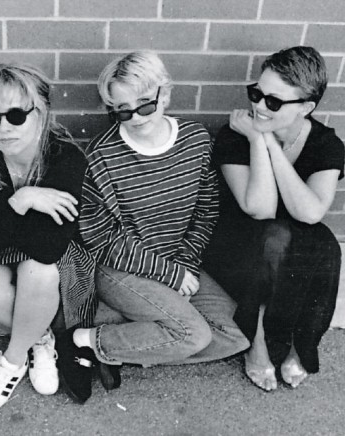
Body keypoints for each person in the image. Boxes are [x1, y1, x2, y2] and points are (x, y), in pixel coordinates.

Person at [59, 51, 249, 403]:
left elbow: (206, 211)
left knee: (235, 336)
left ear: (166, 94)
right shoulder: (101, 155)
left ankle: (121, 346)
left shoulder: (195, 140)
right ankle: (80, 340)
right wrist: (169, 275)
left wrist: (185, 265)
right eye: (123, 110)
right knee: (195, 335)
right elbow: (102, 238)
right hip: (121, 268)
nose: (136, 117)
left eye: (145, 104)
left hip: (178, 260)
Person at [0, 63, 95, 414]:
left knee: (39, 269)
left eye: (16, 115)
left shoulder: (65, 158)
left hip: (55, 260)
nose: (4, 128)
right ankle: (39, 339)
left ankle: (12, 361)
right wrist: (19, 201)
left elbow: (47, 248)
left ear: (41, 112)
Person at [203, 46, 343, 391]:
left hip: (291, 239)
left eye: (274, 102)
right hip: (237, 243)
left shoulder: (325, 144)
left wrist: (269, 143)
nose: (260, 107)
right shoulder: (235, 136)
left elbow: (310, 212)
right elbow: (260, 208)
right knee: (275, 236)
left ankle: (302, 345)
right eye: (256, 94)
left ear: (306, 107)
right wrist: (255, 139)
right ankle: (259, 344)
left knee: (327, 245)